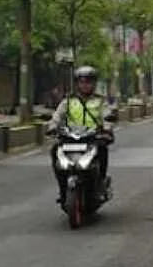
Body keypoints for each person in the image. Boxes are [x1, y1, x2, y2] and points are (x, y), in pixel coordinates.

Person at [46, 66, 115, 202]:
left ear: (94, 84)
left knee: (102, 150)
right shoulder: (69, 101)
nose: (85, 85)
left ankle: (100, 184)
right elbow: (57, 115)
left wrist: (106, 129)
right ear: (77, 84)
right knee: (55, 151)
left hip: (92, 137)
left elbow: (107, 116)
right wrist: (52, 126)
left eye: (88, 82)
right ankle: (62, 189)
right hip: (71, 137)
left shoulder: (100, 101)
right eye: (82, 82)